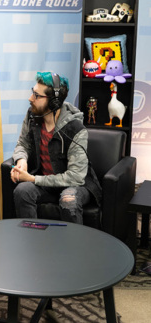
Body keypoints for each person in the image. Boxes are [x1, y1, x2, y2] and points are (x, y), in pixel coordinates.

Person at [10, 72, 102, 224]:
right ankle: (31, 241)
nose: (30, 98)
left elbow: (76, 177)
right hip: (46, 183)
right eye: (32, 92)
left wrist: (33, 178)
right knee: (22, 191)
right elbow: (23, 144)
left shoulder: (75, 129)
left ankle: (71, 248)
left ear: (54, 102)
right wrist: (21, 160)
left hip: (76, 185)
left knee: (68, 200)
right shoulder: (33, 116)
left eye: (36, 95)